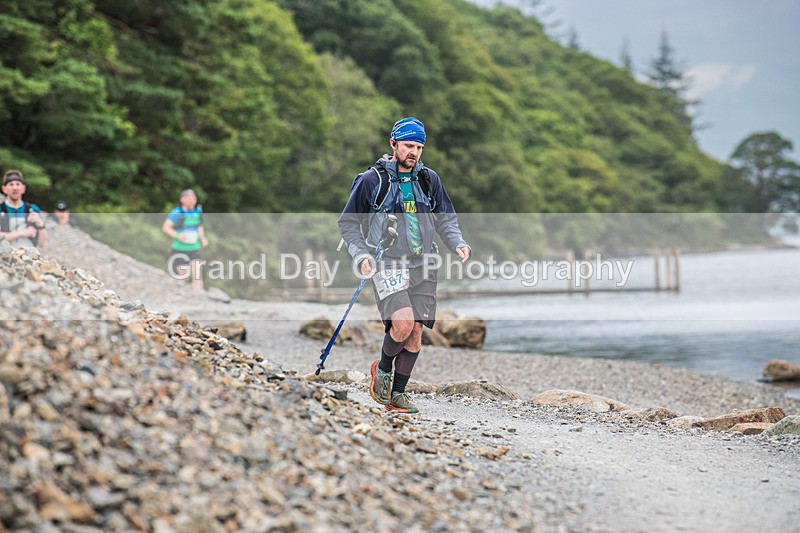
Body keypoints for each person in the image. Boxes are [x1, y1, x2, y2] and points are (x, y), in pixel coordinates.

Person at [339, 117, 470, 414]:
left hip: (424, 262)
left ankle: (398, 395)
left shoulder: (428, 179)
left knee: (415, 331)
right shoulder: (372, 180)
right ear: (393, 144)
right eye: (409, 145)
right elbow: (348, 223)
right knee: (402, 323)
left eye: (419, 146)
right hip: (386, 262)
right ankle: (382, 370)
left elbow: (445, 218)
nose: (414, 152)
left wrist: (458, 243)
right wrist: (361, 255)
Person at [162, 188, 208, 291]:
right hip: (179, 249)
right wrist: (177, 235)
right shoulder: (177, 212)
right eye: (189, 198)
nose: (191, 200)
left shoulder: (198, 212)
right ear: (182, 200)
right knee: (184, 276)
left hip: (194, 248)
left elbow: (199, 227)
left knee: (197, 274)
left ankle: (199, 298)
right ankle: (183, 297)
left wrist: (203, 238)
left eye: (193, 198)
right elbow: (166, 227)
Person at [0, 170, 47, 249]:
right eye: (11, 184)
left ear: (23, 188)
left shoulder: (32, 209)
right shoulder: (1, 209)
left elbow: (42, 244)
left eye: (18, 184)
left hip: (29, 255)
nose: (15, 188)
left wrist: (40, 224)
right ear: (4, 189)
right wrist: (23, 233)